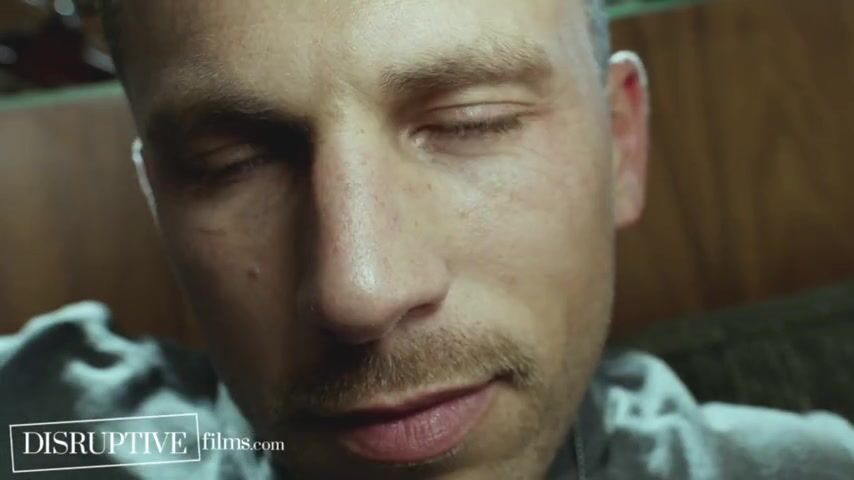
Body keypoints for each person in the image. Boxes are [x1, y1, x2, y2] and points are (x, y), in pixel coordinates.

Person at [1, 0, 852, 479]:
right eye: (231, 163)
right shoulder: (52, 437)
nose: (360, 289)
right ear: (159, 203)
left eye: (470, 122)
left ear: (621, 146)